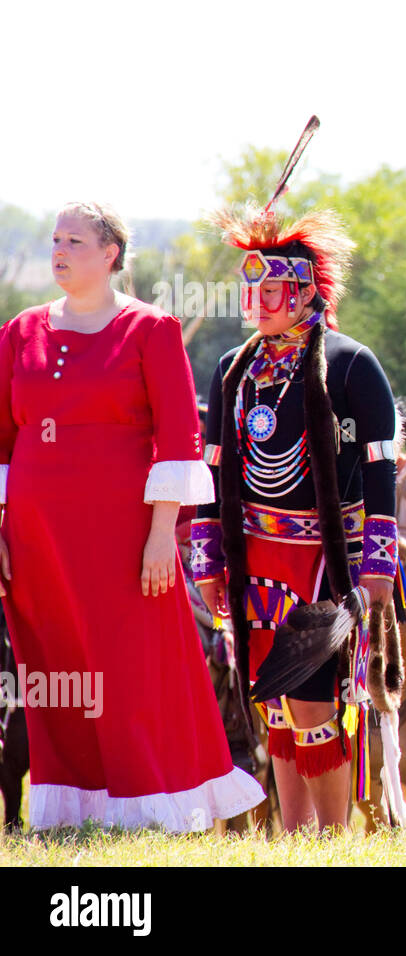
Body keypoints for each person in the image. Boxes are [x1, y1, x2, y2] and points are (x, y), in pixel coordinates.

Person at [0, 201, 263, 831]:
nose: (58, 249)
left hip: (124, 533)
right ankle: (70, 805)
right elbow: (2, 443)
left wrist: (157, 539)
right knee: (55, 667)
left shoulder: (151, 329)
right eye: (55, 238)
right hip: (36, 536)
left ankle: (149, 804)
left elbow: (178, 441)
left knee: (131, 669)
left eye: (75, 240)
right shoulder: (17, 333)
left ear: (111, 253)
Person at [194, 201, 398, 834]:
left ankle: (331, 839)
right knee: (274, 702)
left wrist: (377, 569)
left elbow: (381, 472)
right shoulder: (235, 369)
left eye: (271, 286)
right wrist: (208, 560)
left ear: (306, 289)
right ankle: (295, 837)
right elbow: (213, 474)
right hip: (254, 558)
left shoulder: (352, 364)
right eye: (249, 287)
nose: (256, 299)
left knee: (314, 703)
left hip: (324, 562)